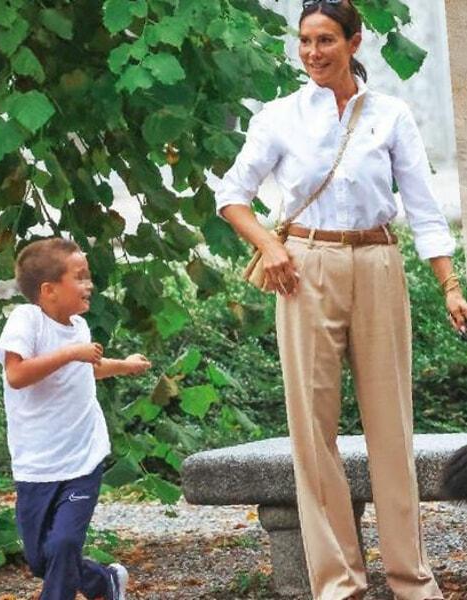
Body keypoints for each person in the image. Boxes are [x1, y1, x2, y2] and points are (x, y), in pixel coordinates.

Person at [215, 1, 467, 598]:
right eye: (304, 41)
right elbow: (232, 194)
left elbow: (425, 209)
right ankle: (339, 585)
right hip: (303, 268)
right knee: (313, 429)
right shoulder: (279, 118)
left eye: (325, 40)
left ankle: (411, 580)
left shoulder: (391, 115)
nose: (312, 53)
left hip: (379, 261)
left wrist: (450, 285)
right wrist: (269, 250)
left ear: (354, 43)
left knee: (392, 426)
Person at [0, 237, 152, 600]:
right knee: (40, 559)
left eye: (89, 276)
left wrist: (123, 366)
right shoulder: (26, 320)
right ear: (49, 290)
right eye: (79, 277)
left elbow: (84, 370)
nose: (89, 284)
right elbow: (16, 375)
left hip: (82, 458)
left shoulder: (78, 328)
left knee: (63, 545)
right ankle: (104, 582)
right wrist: (69, 354)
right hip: (35, 465)